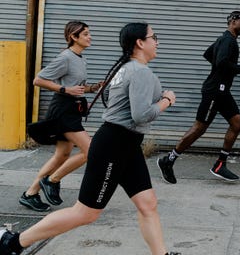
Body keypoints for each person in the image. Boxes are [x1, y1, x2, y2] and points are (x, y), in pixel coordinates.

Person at [0, 22, 180, 255]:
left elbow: (109, 97)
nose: (157, 41)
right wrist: (167, 100)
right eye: (154, 37)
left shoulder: (124, 67)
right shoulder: (140, 71)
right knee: (85, 213)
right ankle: (12, 243)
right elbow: (141, 115)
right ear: (140, 43)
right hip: (115, 145)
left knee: (148, 204)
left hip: (126, 144)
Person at [157, 11, 240, 184]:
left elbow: (208, 55)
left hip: (222, 91)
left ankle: (220, 164)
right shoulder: (228, 40)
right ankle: (168, 160)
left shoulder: (224, 39)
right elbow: (221, 62)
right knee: (199, 127)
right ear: (233, 21)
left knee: (237, 124)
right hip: (215, 91)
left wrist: (219, 71)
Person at [20, 21, 102, 212]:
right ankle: (51, 180)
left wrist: (93, 88)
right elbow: (38, 79)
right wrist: (65, 88)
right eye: (86, 34)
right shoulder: (65, 57)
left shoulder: (80, 58)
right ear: (74, 37)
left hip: (73, 109)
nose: (90, 37)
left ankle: (30, 194)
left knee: (62, 155)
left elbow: (77, 87)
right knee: (92, 151)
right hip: (63, 110)